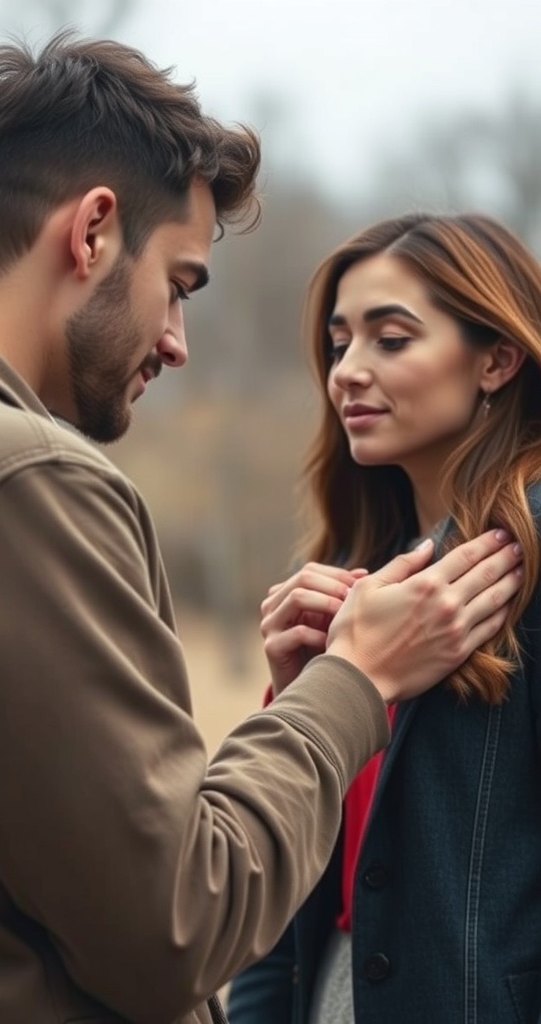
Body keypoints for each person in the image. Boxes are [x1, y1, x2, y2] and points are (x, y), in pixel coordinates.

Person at [0, 31, 523, 1024]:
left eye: (391, 337)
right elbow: (184, 915)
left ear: (497, 359)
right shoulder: (25, 476)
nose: (177, 343)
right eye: (179, 285)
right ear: (92, 231)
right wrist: (341, 686)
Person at [227, 211, 541, 1024]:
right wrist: (306, 696)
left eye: (390, 340)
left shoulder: (528, 560)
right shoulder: (356, 572)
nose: (347, 373)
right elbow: (300, 895)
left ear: (498, 360)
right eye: (339, 345)